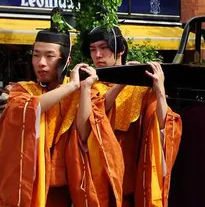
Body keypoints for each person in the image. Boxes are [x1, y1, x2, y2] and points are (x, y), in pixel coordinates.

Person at [0, 14, 124, 206]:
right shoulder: (22, 90)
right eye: (36, 55)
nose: (41, 62)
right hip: (30, 186)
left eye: (49, 56)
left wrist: (82, 88)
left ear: (66, 60)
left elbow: (85, 133)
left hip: (65, 189)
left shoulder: (79, 91)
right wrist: (72, 86)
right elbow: (31, 108)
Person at [81, 25, 182, 207]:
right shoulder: (88, 85)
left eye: (103, 48)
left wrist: (159, 90)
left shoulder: (140, 89)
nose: (97, 55)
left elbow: (163, 125)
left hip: (130, 180)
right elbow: (93, 115)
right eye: (93, 50)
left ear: (120, 49)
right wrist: (122, 82)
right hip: (98, 178)